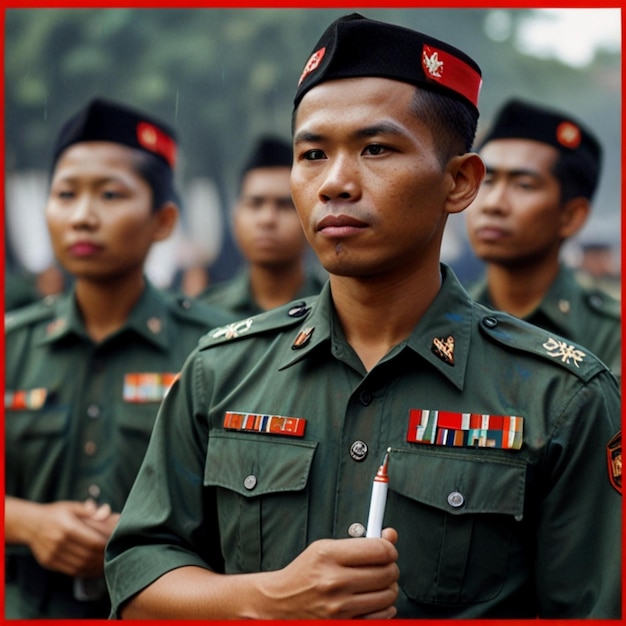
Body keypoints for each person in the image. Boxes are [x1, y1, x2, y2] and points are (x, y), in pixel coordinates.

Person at [105, 14, 621, 619]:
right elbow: (138, 579)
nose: (335, 183)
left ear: (459, 182)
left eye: (376, 149)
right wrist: (266, 600)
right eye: (313, 154)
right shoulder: (221, 371)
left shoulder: (561, 397)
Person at [4, 97, 234, 619]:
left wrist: (144, 541)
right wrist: (28, 524)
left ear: (163, 220)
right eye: (65, 194)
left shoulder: (218, 349)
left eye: (110, 194)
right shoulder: (11, 344)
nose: (83, 216)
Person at [465, 98, 621, 378]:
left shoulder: (612, 336)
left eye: (523, 185)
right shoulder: (442, 319)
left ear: (571, 216)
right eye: (487, 180)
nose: (493, 204)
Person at [198, 135, 324, 317]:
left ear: (311, 217)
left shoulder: (334, 311)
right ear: (236, 217)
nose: (267, 219)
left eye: (284, 205)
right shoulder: (206, 314)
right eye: (255, 204)